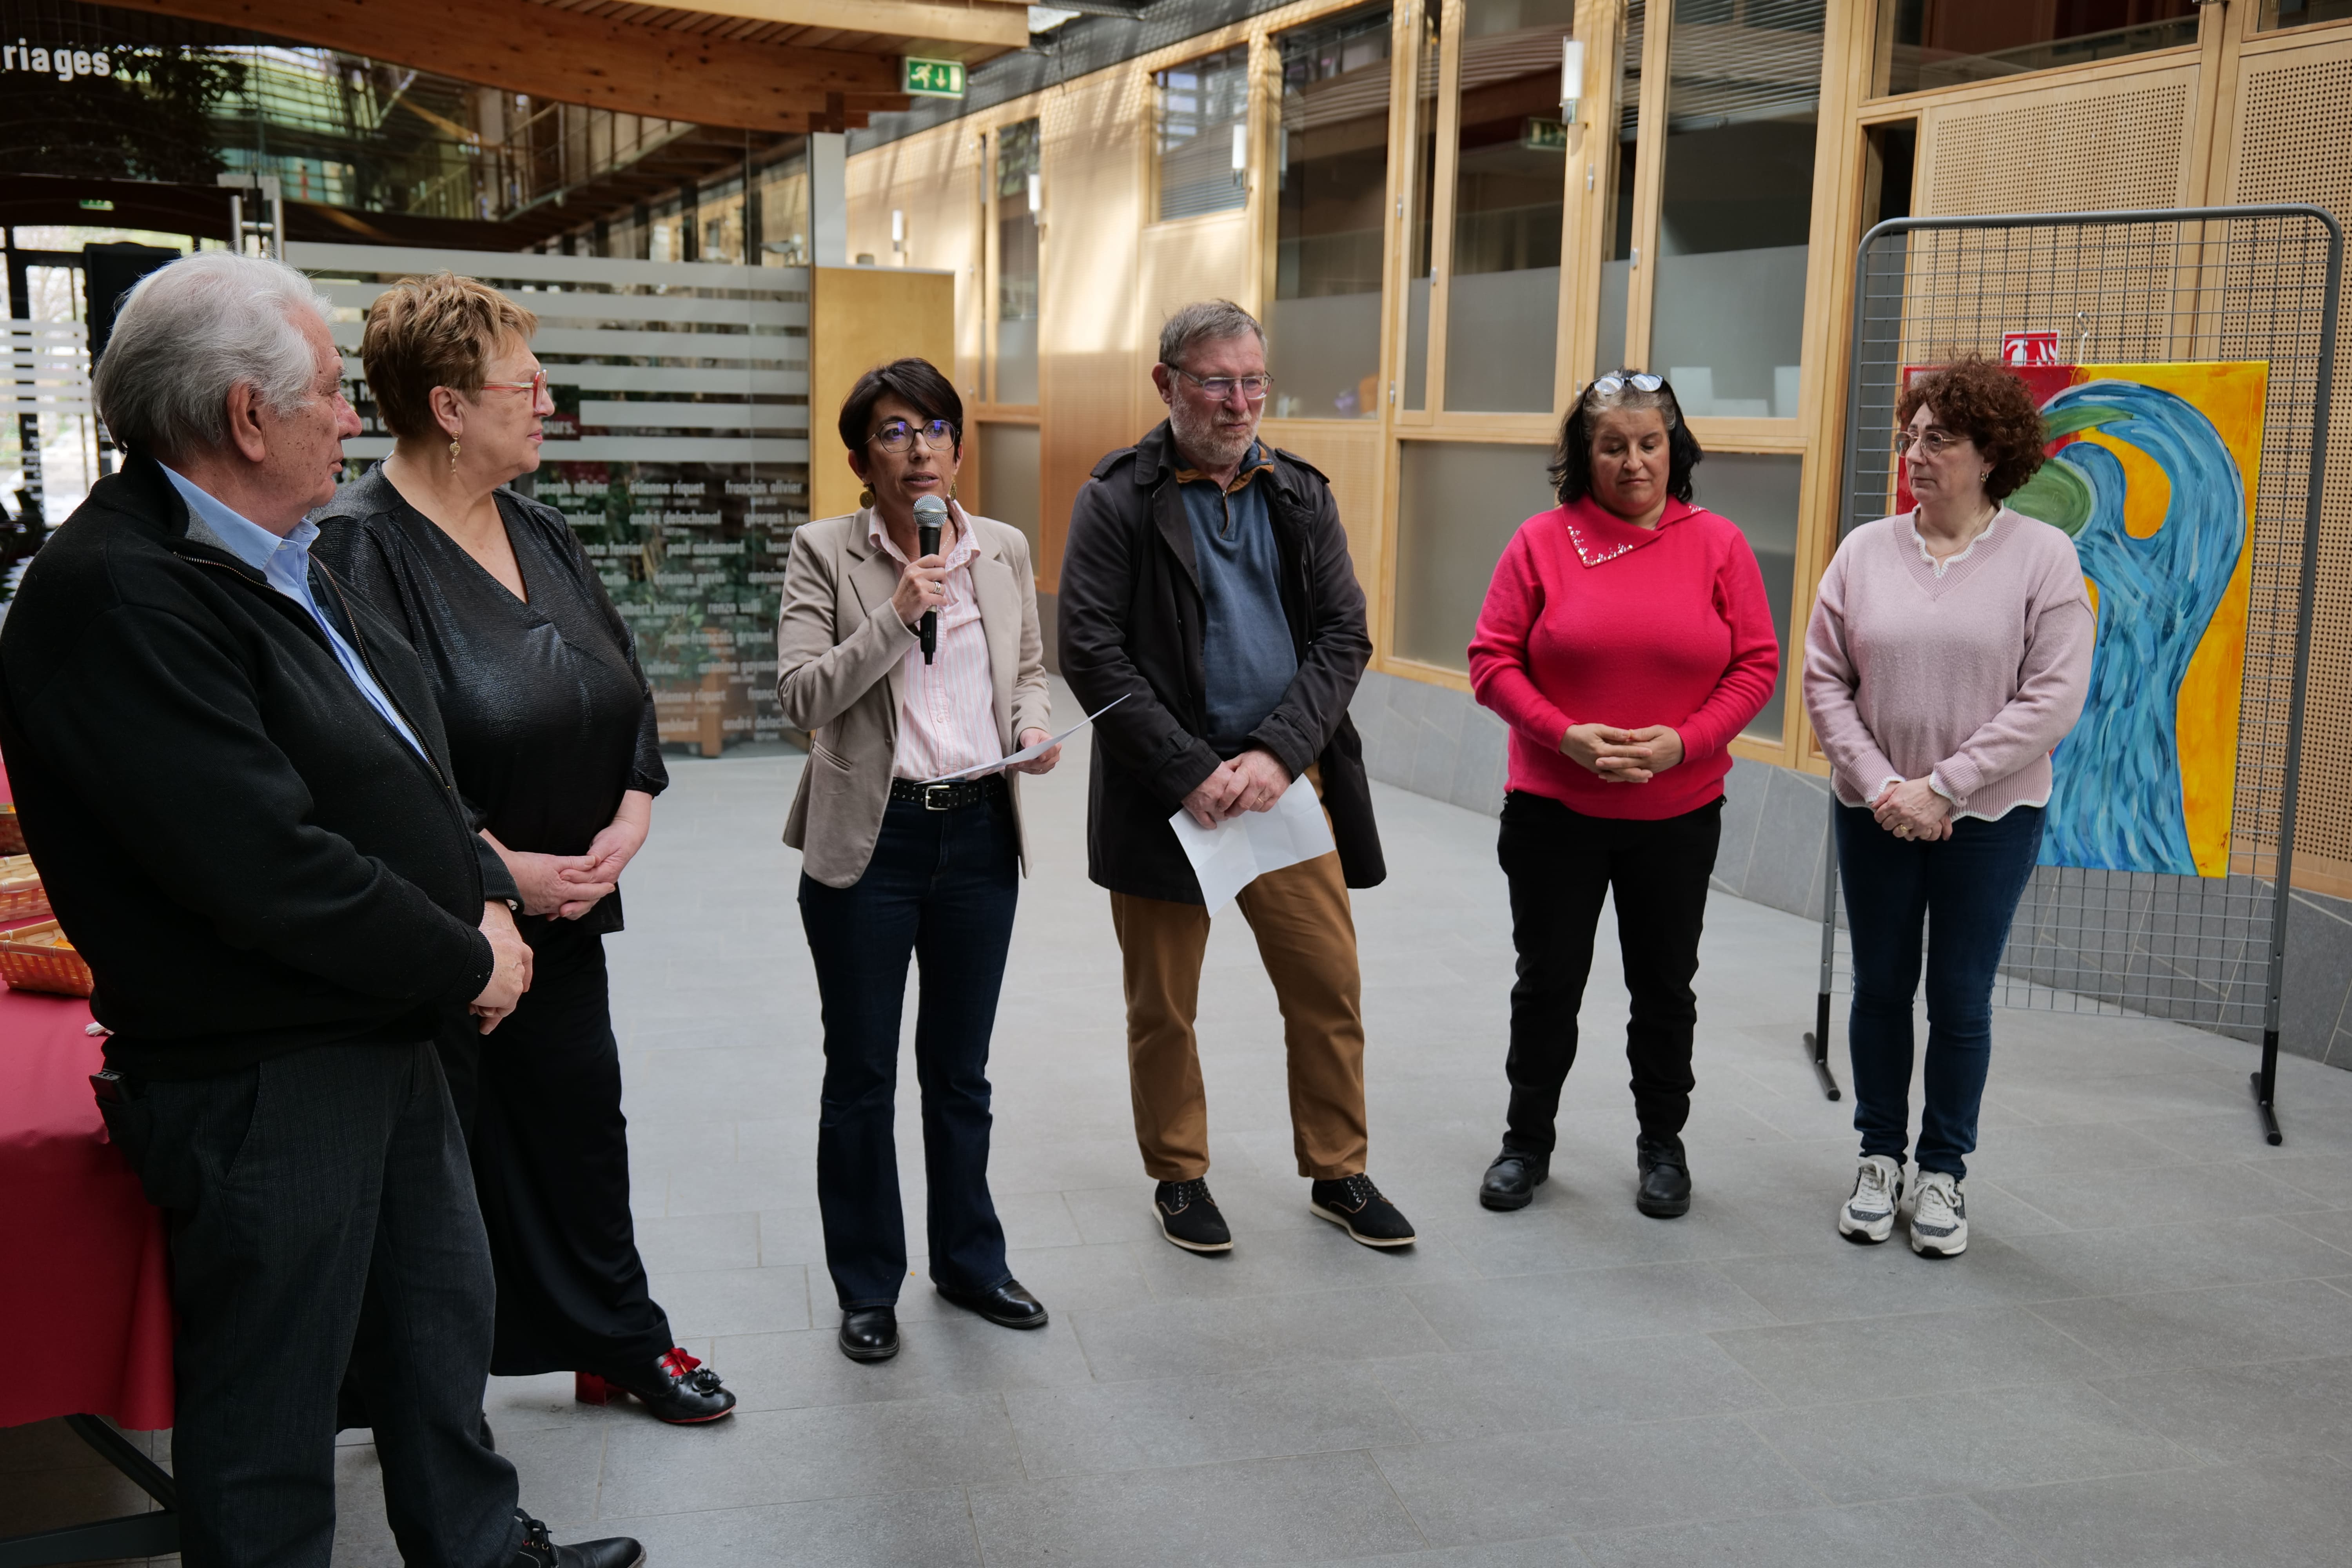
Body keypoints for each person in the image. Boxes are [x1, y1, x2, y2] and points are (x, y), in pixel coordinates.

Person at [0, 251, 638, 1566]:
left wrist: (476, 887)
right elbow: (265, 866)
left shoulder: (280, 553)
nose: (352, 418)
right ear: (247, 414)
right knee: (275, 1406)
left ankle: (473, 1548)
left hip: (378, 1028)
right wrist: (470, 954)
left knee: (435, 1323)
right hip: (267, 1070)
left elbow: (398, 760)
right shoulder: (118, 593)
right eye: (334, 394)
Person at [312, 272, 732, 1423]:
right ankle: (408, 1390)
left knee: (582, 1130)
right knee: (442, 1167)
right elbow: (373, 761)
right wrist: (496, 871)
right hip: (442, 924)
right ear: (450, 407)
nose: (547, 401)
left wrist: (630, 818)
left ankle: (616, 1340)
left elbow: (622, 684)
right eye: (526, 384)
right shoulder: (358, 551)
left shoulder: (538, 524)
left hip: (571, 905)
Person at [1059, 299, 1410, 1254]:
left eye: (1254, 380)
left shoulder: (1298, 493)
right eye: (1217, 381)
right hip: (1169, 798)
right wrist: (1187, 768)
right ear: (1167, 383)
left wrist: (1277, 753)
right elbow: (1089, 650)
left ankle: (1338, 1169)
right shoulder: (1117, 499)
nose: (1240, 401)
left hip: (1281, 787)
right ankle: (1180, 1176)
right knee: (1163, 1005)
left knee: (1328, 984)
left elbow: (1345, 635)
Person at [776, 357, 1060, 1363]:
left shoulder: (1004, 548)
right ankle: (867, 1284)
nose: (922, 448)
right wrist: (898, 613)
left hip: (979, 831)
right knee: (859, 1075)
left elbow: (1026, 667)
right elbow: (803, 696)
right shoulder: (824, 552)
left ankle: (971, 1263)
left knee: (960, 1071)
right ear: (861, 459)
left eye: (937, 427)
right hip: (872, 839)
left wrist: (1032, 722)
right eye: (895, 432)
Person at [1467, 370, 1780, 1221]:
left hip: (1676, 816)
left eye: (1650, 442)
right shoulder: (1542, 540)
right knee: (1548, 983)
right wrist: (1563, 732)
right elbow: (1491, 660)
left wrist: (1687, 741)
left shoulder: (1719, 544)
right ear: (1584, 454)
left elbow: (1757, 663)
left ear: (1675, 449)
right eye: (1613, 445)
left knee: (1665, 987)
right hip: (1553, 812)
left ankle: (1662, 1144)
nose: (1634, 461)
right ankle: (1526, 1141)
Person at [1804, 354, 2092, 1259]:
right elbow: (1824, 679)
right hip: (1875, 809)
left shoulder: (2045, 557)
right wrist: (1888, 785)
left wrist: (1946, 785)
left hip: (1992, 819)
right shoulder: (1863, 550)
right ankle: (1879, 1156)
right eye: (1910, 437)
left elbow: (2053, 697)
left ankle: (1944, 1171)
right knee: (1882, 985)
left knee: (1961, 997)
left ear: (1991, 452)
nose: (1916, 454)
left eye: (1940, 439)